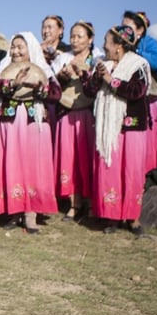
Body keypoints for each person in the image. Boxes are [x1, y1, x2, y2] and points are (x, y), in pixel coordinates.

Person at [0, 32, 61, 234]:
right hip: (8, 122)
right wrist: (12, 84)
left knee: (32, 164)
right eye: (13, 46)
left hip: (33, 122)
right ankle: (13, 210)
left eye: (21, 47)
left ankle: (31, 213)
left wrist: (38, 88)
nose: (16, 51)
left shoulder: (43, 68)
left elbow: (55, 93)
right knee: (11, 163)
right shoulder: (2, 66)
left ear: (31, 49)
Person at [83, 25, 150, 236]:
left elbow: (136, 91)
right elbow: (88, 90)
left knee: (131, 172)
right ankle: (111, 216)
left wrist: (110, 80)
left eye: (107, 41)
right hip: (107, 128)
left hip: (131, 128)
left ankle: (133, 218)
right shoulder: (103, 64)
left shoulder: (138, 65)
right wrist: (96, 77)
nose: (103, 45)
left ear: (119, 45)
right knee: (109, 170)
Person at [51, 21, 102, 221]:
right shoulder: (63, 58)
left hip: (88, 113)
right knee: (69, 158)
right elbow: (52, 86)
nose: (74, 40)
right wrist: (62, 76)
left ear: (90, 39)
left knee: (87, 158)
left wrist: (83, 75)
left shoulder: (97, 59)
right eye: (72, 36)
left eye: (79, 36)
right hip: (67, 113)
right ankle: (74, 203)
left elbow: (98, 87)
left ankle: (90, 204)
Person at [122, 10, 157, 173]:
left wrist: (135, 52)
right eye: (122, 26)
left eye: (128, 27)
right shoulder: (120, 44)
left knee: (150, 139)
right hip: (130, 100)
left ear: (140, 30)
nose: (123, 30)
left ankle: (152, 174)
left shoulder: (150, 43)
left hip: (150, 102)